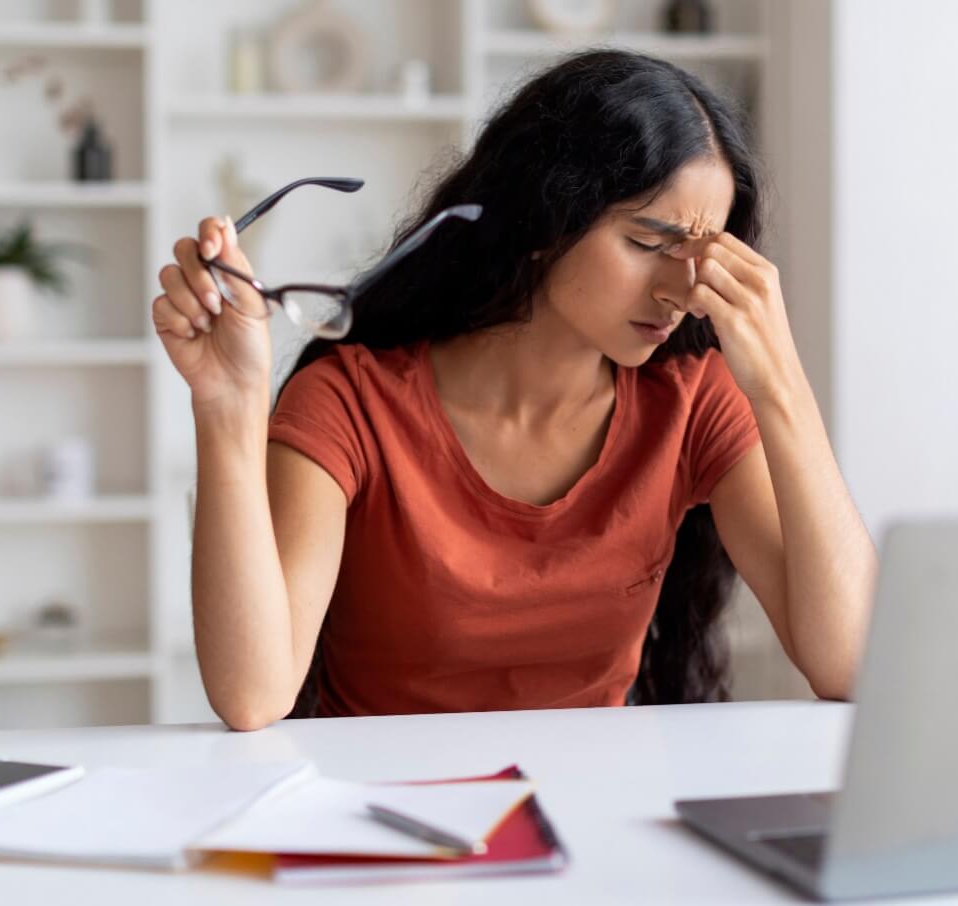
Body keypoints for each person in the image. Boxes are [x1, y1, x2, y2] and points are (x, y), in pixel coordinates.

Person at [153, 50, 877, 731]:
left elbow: (848, 662)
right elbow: (253, 695)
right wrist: (227, 402)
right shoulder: (351, 403)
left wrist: (779, 380)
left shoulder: (692, 403)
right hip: (388, 832)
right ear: (544, 221)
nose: (681, 291)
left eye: (701, 254)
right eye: (648, 244)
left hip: (593, 823)